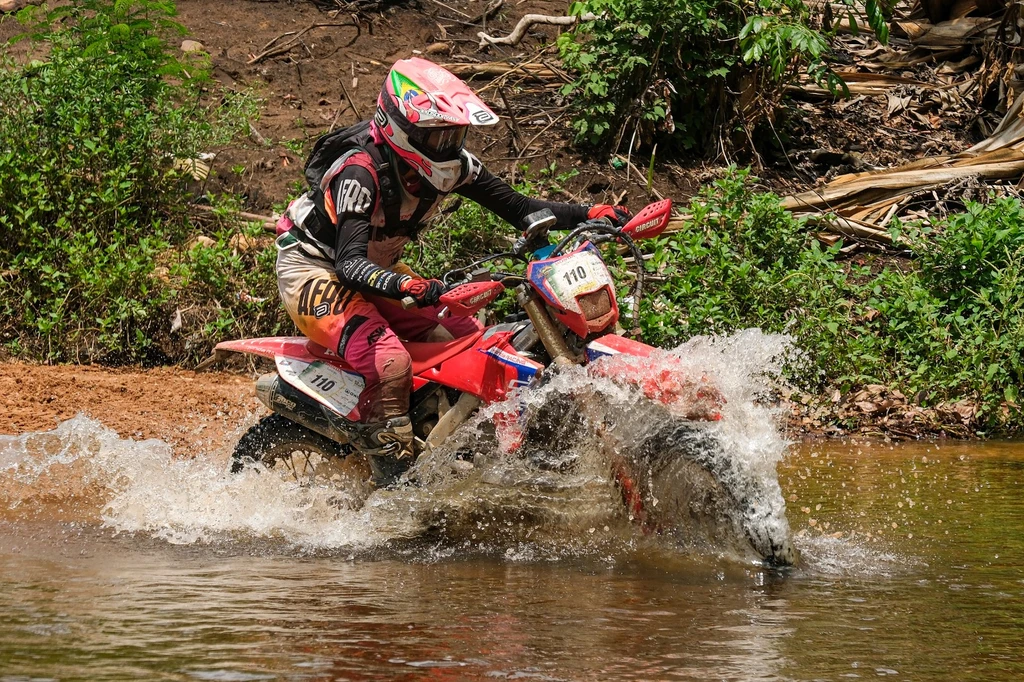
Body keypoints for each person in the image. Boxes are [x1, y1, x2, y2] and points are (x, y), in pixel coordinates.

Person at [275, 57, 631, 484]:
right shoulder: (359, 173)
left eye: (453, 134)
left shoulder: (456, 166)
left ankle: (450, 444)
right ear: (400, 128)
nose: (447, 145)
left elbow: (520, 208)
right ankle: (393, 477)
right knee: (389, 360)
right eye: (436, 135)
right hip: (314, 269)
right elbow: (349, 264)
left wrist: (591, 213)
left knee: (469, 340)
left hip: (378, 268)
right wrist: (405, 283)